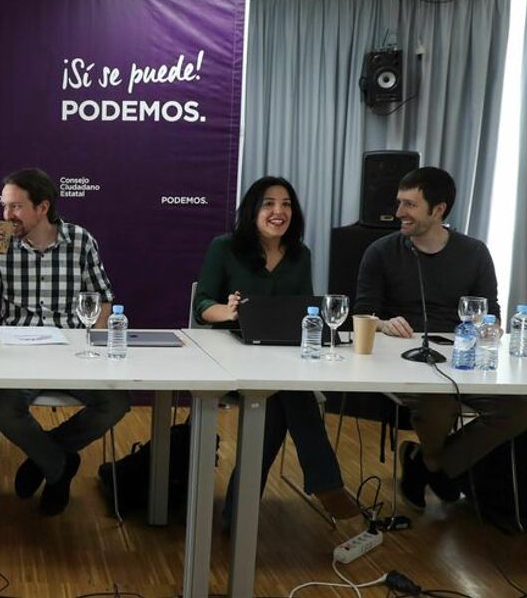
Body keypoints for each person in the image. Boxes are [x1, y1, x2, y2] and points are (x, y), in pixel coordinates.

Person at [0, 167, 127, 516]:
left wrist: (94, 346)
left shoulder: (80, 241)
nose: (7, 215)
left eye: (16, 207)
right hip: (19, 356)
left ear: (42, 207)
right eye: (4, 206)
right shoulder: (2, 243)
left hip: (71, 354)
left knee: (116, 403)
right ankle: (58, 466)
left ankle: (44, 457)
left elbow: (103, 298)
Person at [354, 166, 527, 509]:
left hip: (462, 359)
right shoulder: (380, 251)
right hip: (404, 358)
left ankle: (427, 463)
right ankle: (442, 467)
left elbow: (491, 314)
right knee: (439, 405)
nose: (399, 212)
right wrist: (384, 323)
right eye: (399, 202)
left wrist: (490, 329)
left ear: (438, 210)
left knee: (519, 410)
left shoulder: (474, 253)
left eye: (410, 205)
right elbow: (363, 314)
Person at [194, 176, 358, 524]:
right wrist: (228, 311)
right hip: (233, 358)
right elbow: (202, 304)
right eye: (268, 204)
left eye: (286, 204)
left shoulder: (300, 255)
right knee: (292, 395)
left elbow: (306, 312)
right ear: (252, 210)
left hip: (282, 358)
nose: (278, 211)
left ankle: (237, 513)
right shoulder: (224, 248)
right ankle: (326, 483)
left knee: (280, 400)